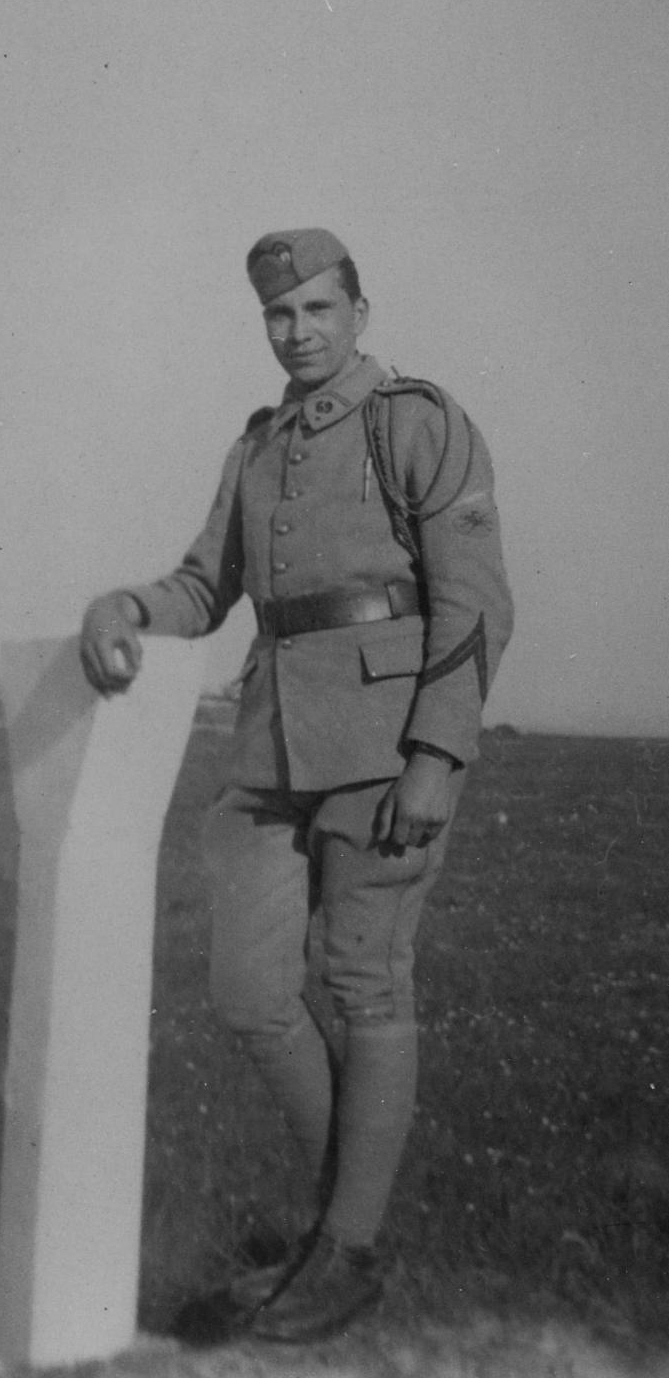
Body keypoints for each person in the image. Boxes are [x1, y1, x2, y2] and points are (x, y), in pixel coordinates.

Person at [80, 228, 513, 1343]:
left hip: (384, 744)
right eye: (281, 315)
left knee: (365, 982)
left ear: (360, 312)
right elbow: (202, 582)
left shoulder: (414, 420)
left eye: (320, 309)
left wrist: (436, 754)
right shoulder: (260, 445)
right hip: (271, 747)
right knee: (248, 992)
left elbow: (475, 604)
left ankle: (347, 1247)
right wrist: (126, 606)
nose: (300, 331)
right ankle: (344, 1229)